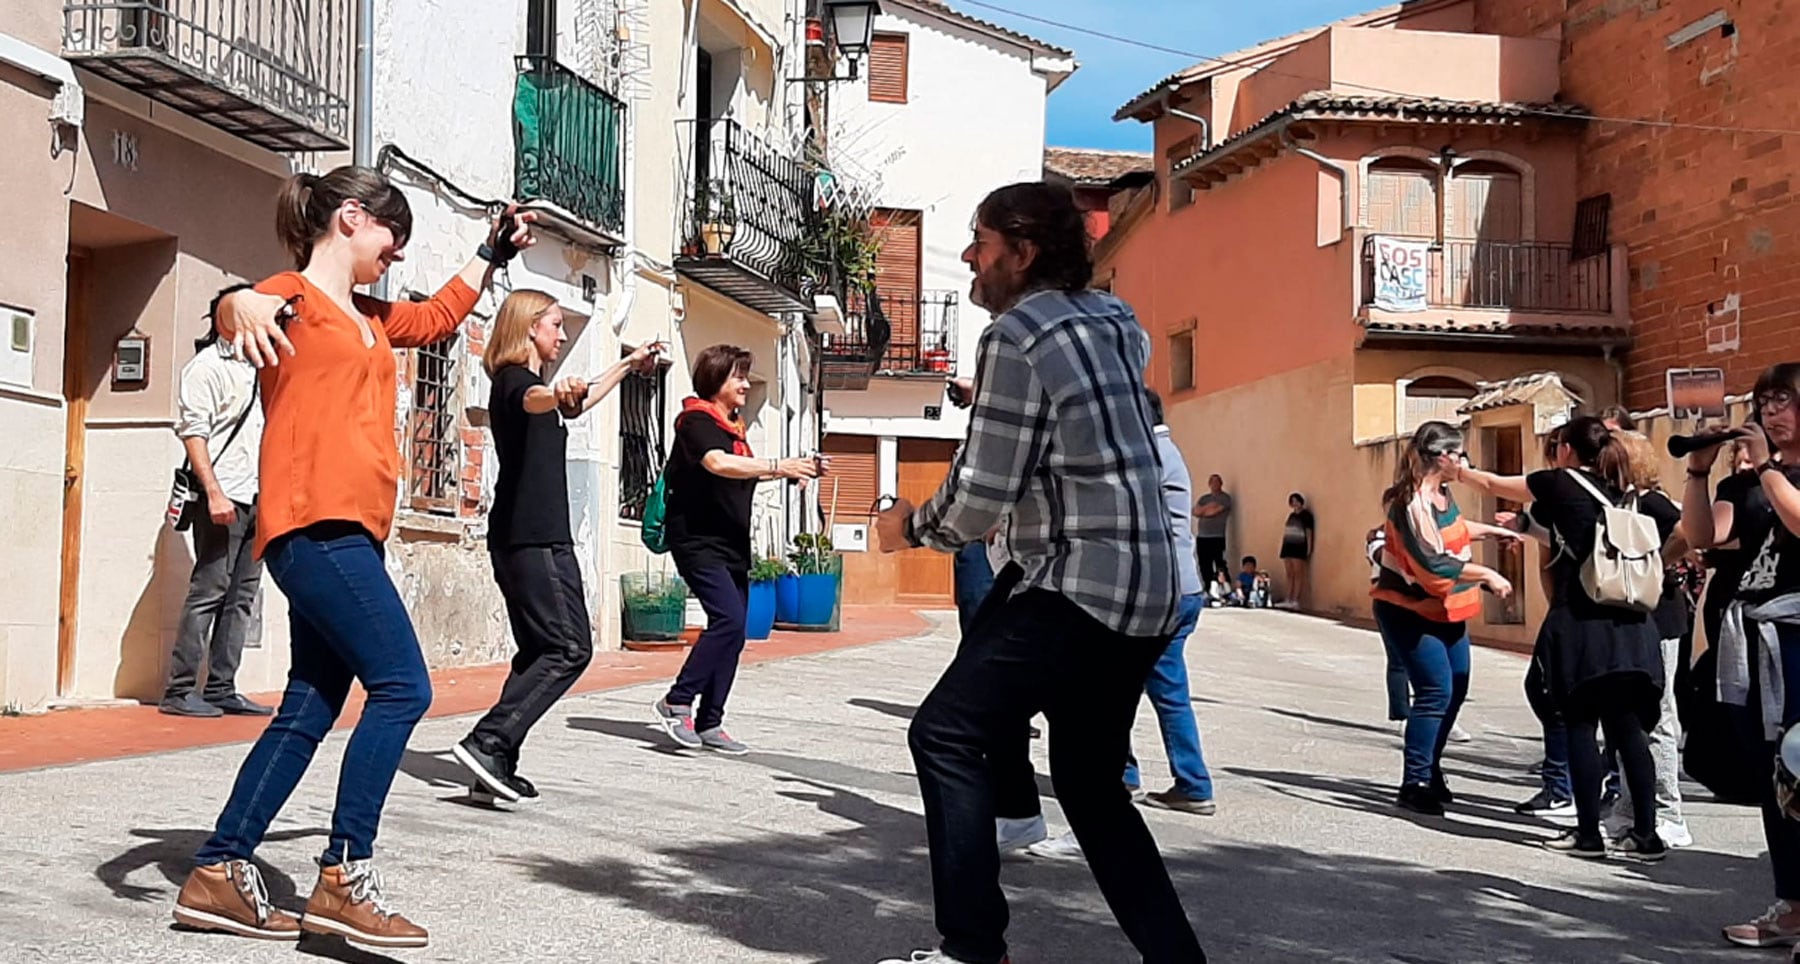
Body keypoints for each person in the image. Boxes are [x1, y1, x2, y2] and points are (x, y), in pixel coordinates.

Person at [172, 166, 536, 948]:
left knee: (309, 706)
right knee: (404, 688)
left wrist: (490, 251)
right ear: (349, 217)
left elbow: (438, 317)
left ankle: (218, 871)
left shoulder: (370, 316)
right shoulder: (288, 300)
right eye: (390, 237)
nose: (395, 255)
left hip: (348, 533)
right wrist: (237, 302)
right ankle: (344, 873)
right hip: (315, 526)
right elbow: (240, 307)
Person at [872, 182, 1204, 964]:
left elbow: (984, 493)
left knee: (946, 733)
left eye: (980, 242)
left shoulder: (1015, 336)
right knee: (1089, 784)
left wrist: (907, 527)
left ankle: (971, 949)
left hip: (1078, 583)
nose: (967, 258)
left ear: (1021, 254)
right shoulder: (1117, 321)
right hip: (1150, 582)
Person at [452, 290, 661, 803]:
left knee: (537, 652)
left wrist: (628, 365)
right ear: (528, 328)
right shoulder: (514, 382)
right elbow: (537, 399)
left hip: (523, 537)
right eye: (554, 325)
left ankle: (494, 766)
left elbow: (576, 402)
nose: (562, 335)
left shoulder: (531, 387)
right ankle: (488, 739)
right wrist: (560, 389)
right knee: (570, 648)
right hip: (535, 537)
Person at [1028, 389, 1218, 861]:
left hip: (1157, 592)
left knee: (1113, 689)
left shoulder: (1149, 455)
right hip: (1180, 587)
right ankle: (1175, 779)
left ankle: (1125, 781)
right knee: (1154, 689)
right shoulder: (1165, 451)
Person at [1503, 416, 1678, 860]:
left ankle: (1587, 834)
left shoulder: (1561, 485)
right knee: (1629, 732)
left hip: (1584, 628)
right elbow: (1688, 535)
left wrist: (1460, 472)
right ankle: (1646, 833)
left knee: (1579, 725)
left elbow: (1496, 484)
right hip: (1635, 628)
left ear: (1567, 449)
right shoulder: (1641, 500)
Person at [651, 345, 823, 755]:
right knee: (727, 620)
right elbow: (718, 464)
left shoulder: (734, 426)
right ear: (715, 381)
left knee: (735, 632)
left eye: (746, 376)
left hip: (730, 542)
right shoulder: (696, 422)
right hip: (696, 539)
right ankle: (677, 701)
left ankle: (711, 721)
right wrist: (779, 465)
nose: (746, 385)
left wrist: (797, 469)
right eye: (738, 377)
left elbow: (741, 472)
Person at [1680, 363, 1800, 948]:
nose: (1772, 413)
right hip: (1755, 641)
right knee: (1774, 778)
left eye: (1784, 401)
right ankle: (1792, 903)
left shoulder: (1780, 476)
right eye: (1764, 402)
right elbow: (1702, 536)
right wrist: (1698, 473)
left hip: (1798, 638)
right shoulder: (1751, 484)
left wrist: (1771, 470)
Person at [1371, 421, 1515, 817]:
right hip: (1409, 610)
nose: (1465, 461)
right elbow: (1433, 565)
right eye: (1460, 454)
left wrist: (1494, 531)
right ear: (1444, 458)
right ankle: (1414, 782)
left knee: (1456, 685)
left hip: (1446, 610)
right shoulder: (1410, 504)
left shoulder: (1441, 494)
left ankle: (1431, 769)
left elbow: (1452, 529)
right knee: (1435, 691)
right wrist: (1487, 574)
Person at [162, 306, 270, 719]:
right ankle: (179, 688)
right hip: (221, 495)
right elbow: (194, 431)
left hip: (257, 495)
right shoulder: (205, 367)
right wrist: (213, 492)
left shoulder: (261, 367)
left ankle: (222, 687)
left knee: (242, 595)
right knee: (208, 590)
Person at [1601, 430, 1693, 848]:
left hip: (1660, 620)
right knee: (1627, 718)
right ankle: (1628, 806)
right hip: (1631, 619)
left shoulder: (1651, 501)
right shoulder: (1620, 502)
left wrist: (1652, 565)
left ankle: (1669, 811)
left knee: (1659, 716)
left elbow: (1686, 532)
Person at [1194, 474, 1232, 586]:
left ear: (1221, 483)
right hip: (1202, 536)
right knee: (1204, 564)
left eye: (1217, 482)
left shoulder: (1225, 498)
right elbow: (1196, 512)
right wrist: (1209, 506)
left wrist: (1204, 510)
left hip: (1217, 536)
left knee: (1220, 563)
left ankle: (1225, 587)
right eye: (1213, 482)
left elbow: (1213, 512)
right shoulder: (1204, 498)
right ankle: (1209, 587)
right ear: (1209, 484)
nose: (1215, 484)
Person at [1279, 493, 1315, 610]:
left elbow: (1309, 532)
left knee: (1298, 574)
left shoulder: (1306, 516)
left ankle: (1295, 600)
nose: (1294, 503)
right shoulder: (1291, 516)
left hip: (1299, 546)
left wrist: (1309, 548)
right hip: (1288, 545)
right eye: (1292, 501)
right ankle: (1288, 598)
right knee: (1289, 574)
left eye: (1296, 501)